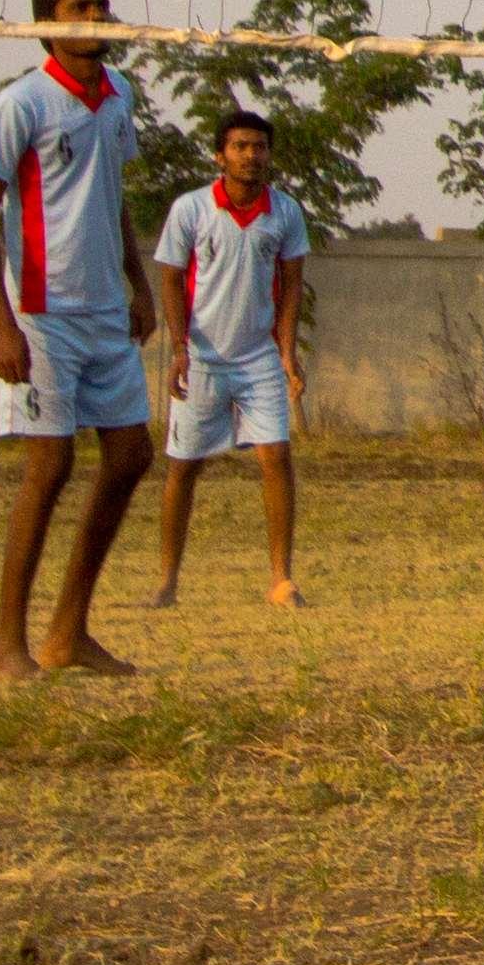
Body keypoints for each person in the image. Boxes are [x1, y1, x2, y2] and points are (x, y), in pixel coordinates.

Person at [0, 0, 162, 683]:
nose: (98, 16)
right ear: (50, 21)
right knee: (50, 466)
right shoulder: (23, 102)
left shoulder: (118, 98)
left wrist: (139, 284)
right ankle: (6, 647)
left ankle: (67, 630)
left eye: (104, 5)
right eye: (83, 6)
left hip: (106, 310)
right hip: (41, 314)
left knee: (132, 457)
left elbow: (111, 196)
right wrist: (2, 322)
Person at [142, 108, 314, 612]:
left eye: (259, 147)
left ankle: (281, 579)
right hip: (201, 356)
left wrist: (287, 351)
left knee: (276, 458)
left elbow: (291, 284)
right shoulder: (191, 210)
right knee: (183, 467)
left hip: (258, 355)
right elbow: (171, 276)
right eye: (240, 146)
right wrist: (178, 349)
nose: (251, 155)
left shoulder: (285, 212)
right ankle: (167, 581)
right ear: (220, 156)